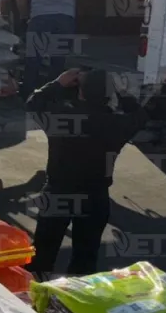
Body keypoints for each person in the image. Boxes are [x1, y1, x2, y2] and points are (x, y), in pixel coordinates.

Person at [26, 68, 147, 277]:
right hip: (95, 196)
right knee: (85, 257)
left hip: (58, 193)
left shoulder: (61, 117)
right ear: (109, 95)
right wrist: (123, 93)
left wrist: (57, 82)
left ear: (80, 92)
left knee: (41, 255)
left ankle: (32, 296)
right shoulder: (117, 124)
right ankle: (76, 299)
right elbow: (140, 115)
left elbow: (33, 103)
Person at [17, 0, 131, 97]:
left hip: (39, 17)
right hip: (65, 17)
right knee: (58, 60)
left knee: (33, 58)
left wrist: (24, 16)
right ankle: (53, 96)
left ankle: (29, 96)